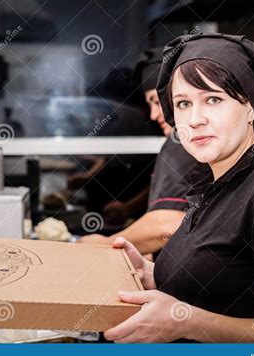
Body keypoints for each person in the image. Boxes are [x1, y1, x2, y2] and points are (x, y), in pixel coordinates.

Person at [104, 33, 254, 343]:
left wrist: (184, 323)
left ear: (251, 106)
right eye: (182, 104)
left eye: (213, 99)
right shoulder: (213, 185)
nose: (194, 119)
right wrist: (149, 273)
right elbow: (222, 282)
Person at [79, 49, 206, 254]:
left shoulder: (184, 141)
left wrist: (105, 244)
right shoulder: (182, 141)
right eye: (150, 103)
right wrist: (128, 208)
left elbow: (167, 223)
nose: (154, 115)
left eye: (157, 102)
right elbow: (174, 194)